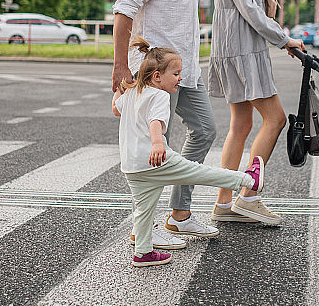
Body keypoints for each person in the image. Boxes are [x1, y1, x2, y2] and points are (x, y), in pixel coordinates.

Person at [112, 0, 220, 245]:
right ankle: (143, 228)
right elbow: (125, 8)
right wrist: (120, 66)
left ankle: (179, 215)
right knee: (154, 144)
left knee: (204, 130)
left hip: (184, 67)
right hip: (155, 70)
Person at [113, 38, 265, 267]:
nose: (180, 78)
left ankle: (143, 253)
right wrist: (158, 144)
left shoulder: (133, 93)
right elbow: (155, 122)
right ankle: (249, 180)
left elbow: (116, 109)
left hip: (132, 167)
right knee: (201, 173)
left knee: (143, 212)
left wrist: (119, 90)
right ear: (157, 76)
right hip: (156, 160)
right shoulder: (160, 96)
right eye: (176, 74)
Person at [208, 0, 304, 225]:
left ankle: (224, 203)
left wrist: (269, 0)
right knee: (275, 119)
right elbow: (248, 9)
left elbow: (259, 0)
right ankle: (248, 196)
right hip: (242, 49)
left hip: (237, 46)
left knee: (241, 125)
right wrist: (283, 38)